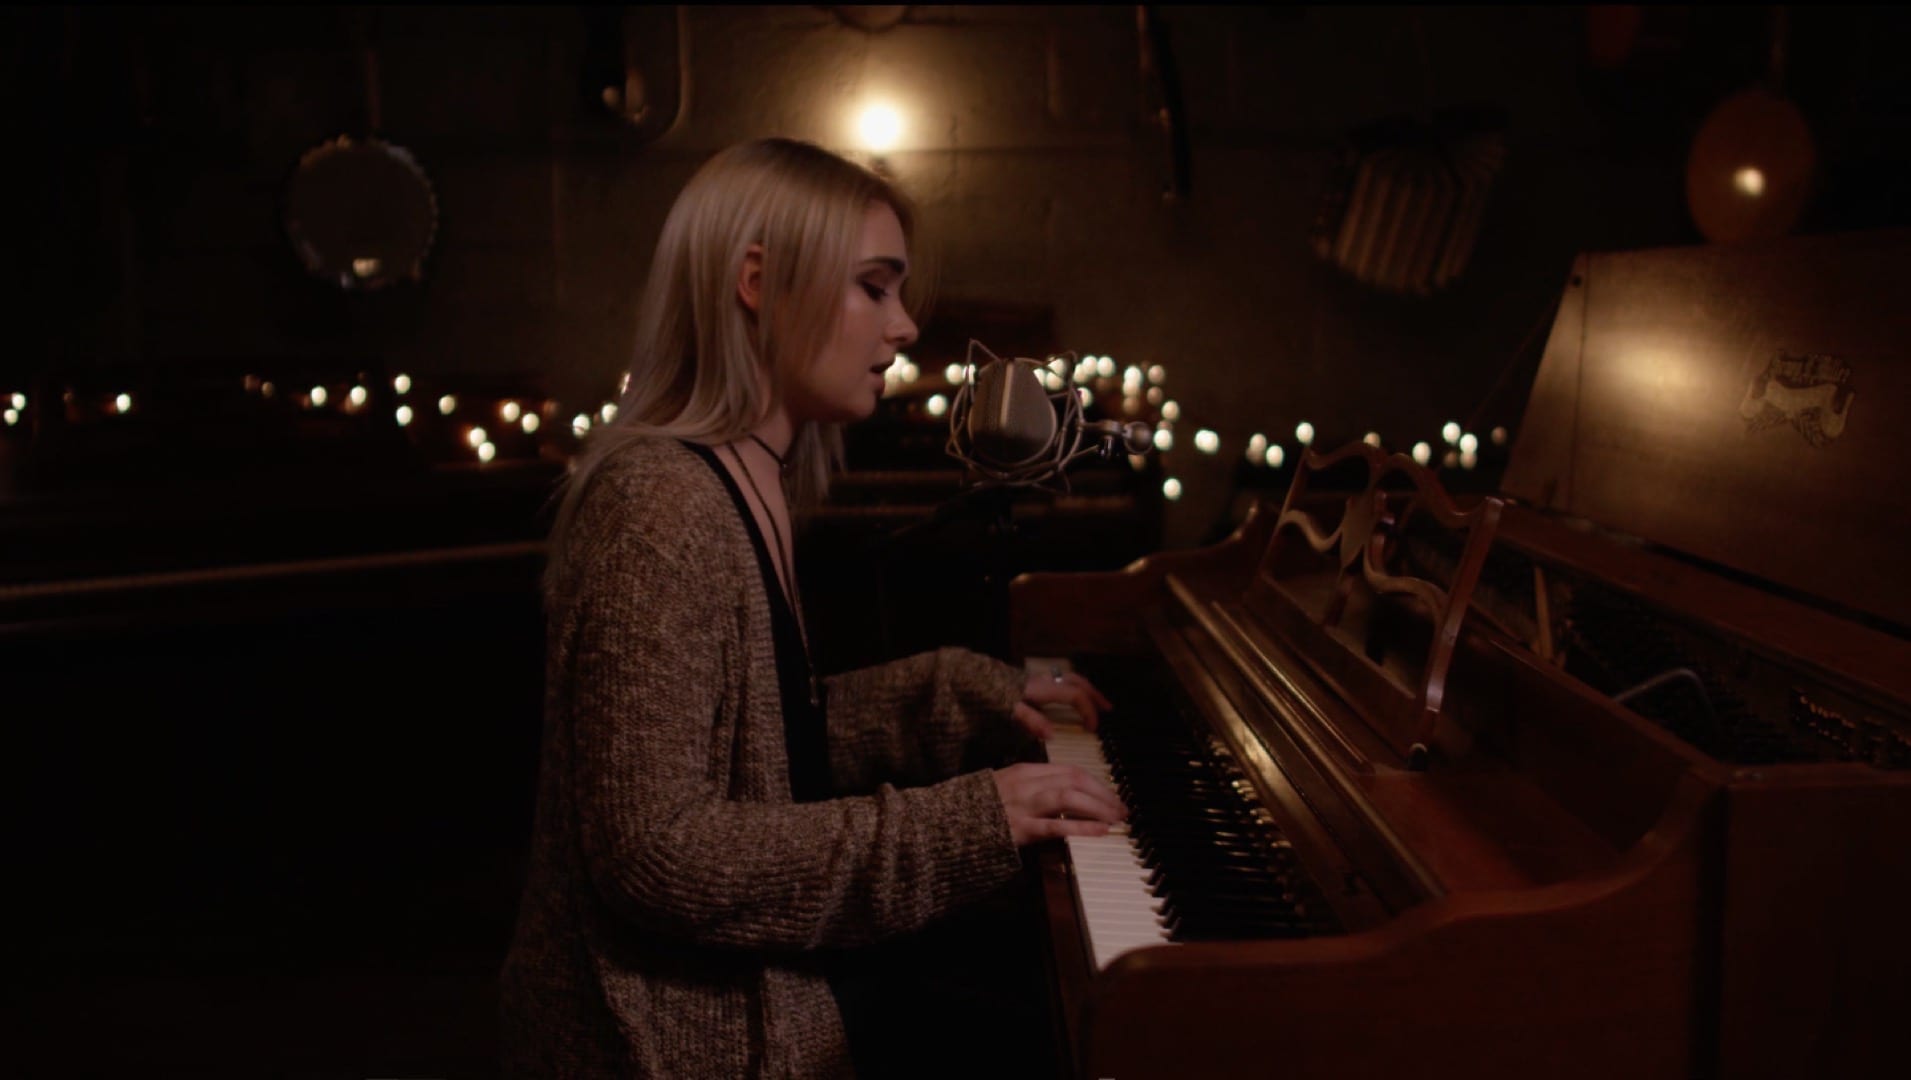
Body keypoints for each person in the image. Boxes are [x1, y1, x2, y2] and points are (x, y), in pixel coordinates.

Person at [498, 137, 1126, 1078]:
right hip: (655, 1042)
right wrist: (970, 821)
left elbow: (762, 744)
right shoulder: (659, 508)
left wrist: (956, 693)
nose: (906, 325)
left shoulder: (739, 475)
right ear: (757, 280)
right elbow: (656, 851)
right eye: (875, 287)